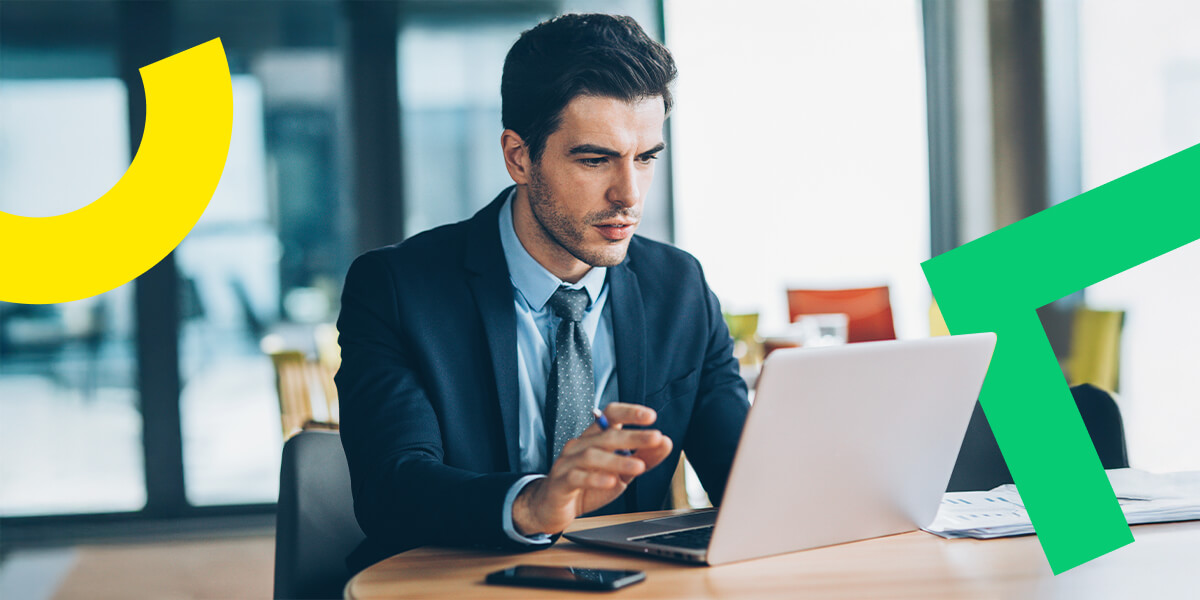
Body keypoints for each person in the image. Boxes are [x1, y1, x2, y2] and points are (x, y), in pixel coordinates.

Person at [335, 13, 750, 570]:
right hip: (455, 583)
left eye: (646, 157)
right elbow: (392, 489)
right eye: (594, 159)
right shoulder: (397, 288)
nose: (629, 194)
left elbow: (746, 484)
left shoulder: (679, 287)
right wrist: (533, 504)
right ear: (519, 157)